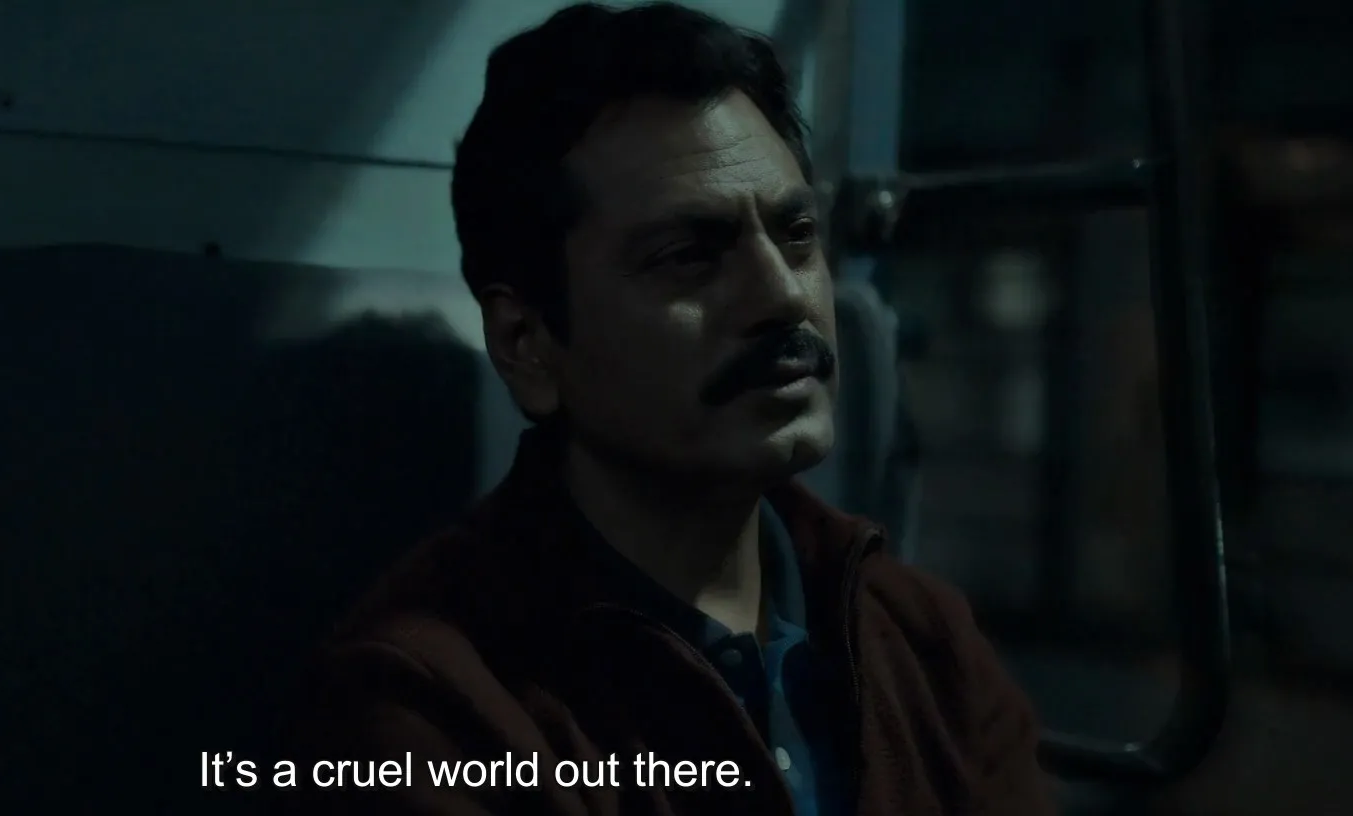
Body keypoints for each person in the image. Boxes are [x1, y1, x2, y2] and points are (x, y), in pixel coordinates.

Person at [277, 4, 1054, 814]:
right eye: (688, 257)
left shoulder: (921, 641)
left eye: (796, 234)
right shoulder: (429, 708)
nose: (784, 296)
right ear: (526, 343)